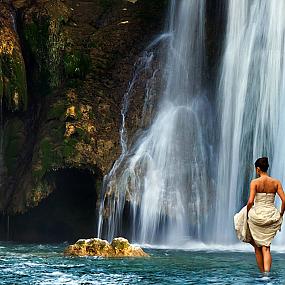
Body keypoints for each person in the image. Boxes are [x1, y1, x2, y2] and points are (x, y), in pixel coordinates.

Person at [246, 157, 285, 272]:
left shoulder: (255, 182)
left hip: (257, 216)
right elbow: (284, 200)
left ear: (258, 169)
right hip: (271, 215)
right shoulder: (276, 182)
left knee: (257, 247)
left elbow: (250, 201)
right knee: (266, 247)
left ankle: (262, 273)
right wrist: (280, 214)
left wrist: (247, 213)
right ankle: (267, 276)